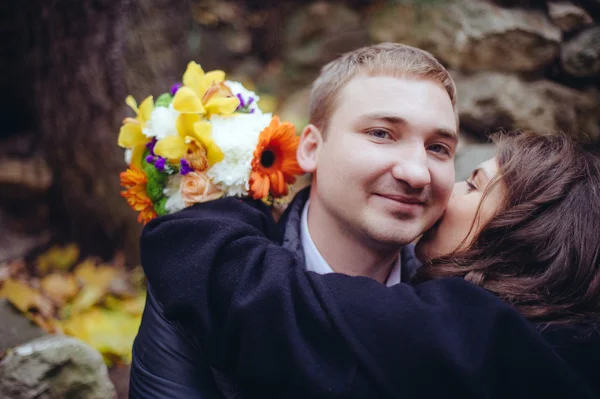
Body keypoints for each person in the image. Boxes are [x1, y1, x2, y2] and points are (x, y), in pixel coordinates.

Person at [141, 130, 600, 398]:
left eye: (475, 185)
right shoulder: (573, 347)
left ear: (522, 235)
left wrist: (218, 215)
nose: (446, 188)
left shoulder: (477, 335)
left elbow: (266, 302)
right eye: (380, 133)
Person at [130, 42, 459, 397]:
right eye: (381, 133)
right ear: (311, 149)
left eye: (438, 148)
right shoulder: (204, 276)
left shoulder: (458, 310)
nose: (417, 173)